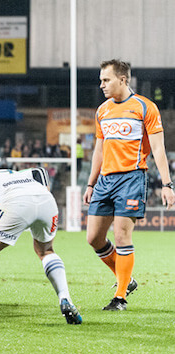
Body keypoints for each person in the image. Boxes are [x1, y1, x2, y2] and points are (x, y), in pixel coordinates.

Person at [83, 59, 175, 311]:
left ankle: (120, 297)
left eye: (106, 80)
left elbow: (158, 148)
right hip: (105, 180)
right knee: (93, 238)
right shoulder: (102, 110)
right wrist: (91, 183)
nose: (101, 84)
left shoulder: (145, 107)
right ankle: (127, 279)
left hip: (131, 178)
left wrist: (167, 184)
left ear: (123, 79)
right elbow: (99, 150)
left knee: (122, 235)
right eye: (101, 80)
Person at [0, 170, 83, 327]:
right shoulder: (6, 175)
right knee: (46, 251)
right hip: (46, 200)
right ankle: (65, 299)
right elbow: (39, 171)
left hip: (15, 201)